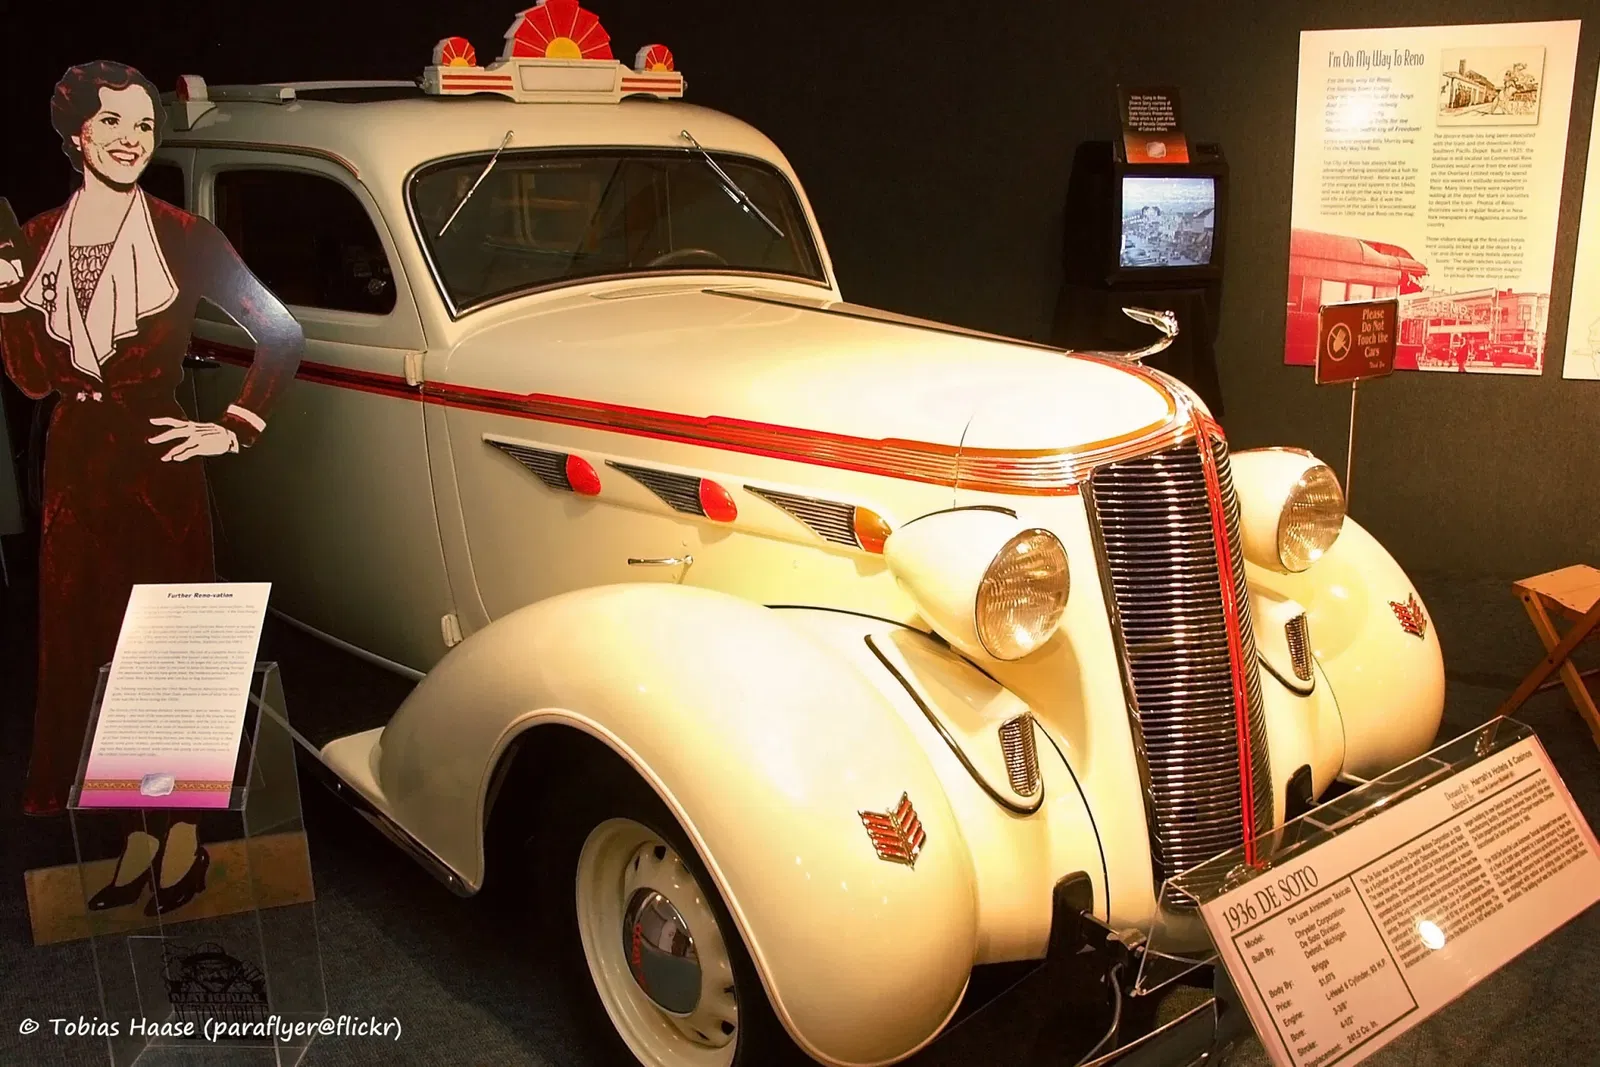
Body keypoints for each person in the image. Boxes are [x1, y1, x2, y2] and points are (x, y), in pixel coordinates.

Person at [0, 61, 303, 914]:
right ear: (77, 136)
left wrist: (233, 425)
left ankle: (186, 843)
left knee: (167, 653)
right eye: (116, 122)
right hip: (74, 464)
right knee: (90, 650)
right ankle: (136, 834)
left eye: (144, 123)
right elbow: (28, 380)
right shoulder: (30, 238)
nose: (134, 137)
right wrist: (5, 297)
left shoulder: (182, 235)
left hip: (155, 459)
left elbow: (279, 330)